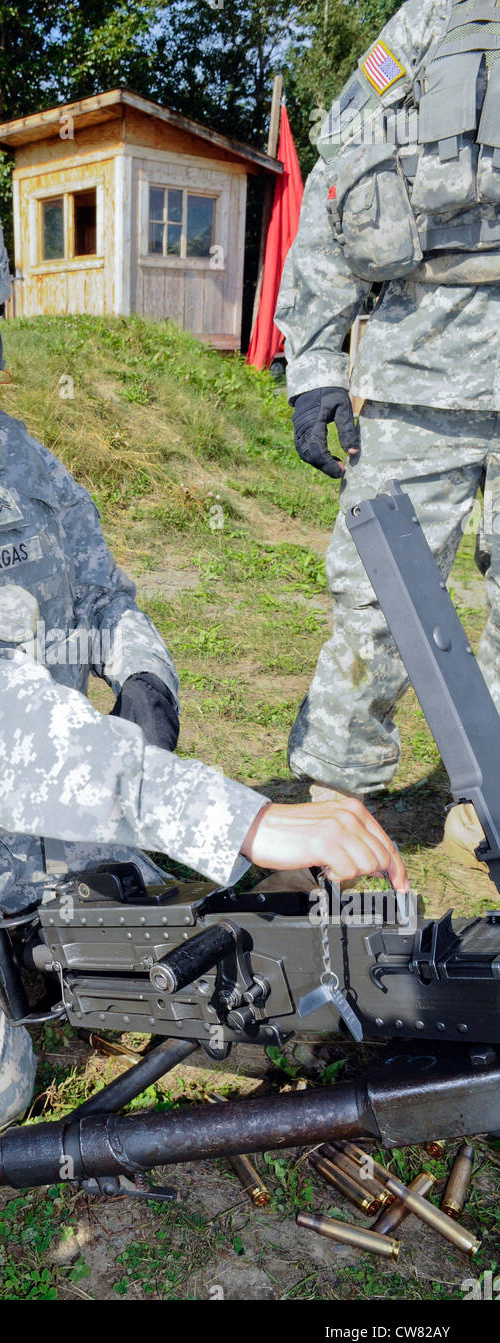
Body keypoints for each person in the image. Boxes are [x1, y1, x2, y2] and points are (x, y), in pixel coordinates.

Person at [0, 158, 406, 1142]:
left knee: (216, 978)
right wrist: (240, 817)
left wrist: (143, 677)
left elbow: (102, 593)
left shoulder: (12, 458)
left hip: (43, 820)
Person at [276, 0, 500, 871]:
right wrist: (317, 366)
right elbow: (340, 182)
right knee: (379, 595)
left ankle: (487, 800)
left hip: (420, 377)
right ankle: (336, 798)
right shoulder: (423, 28)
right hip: (416, 378)